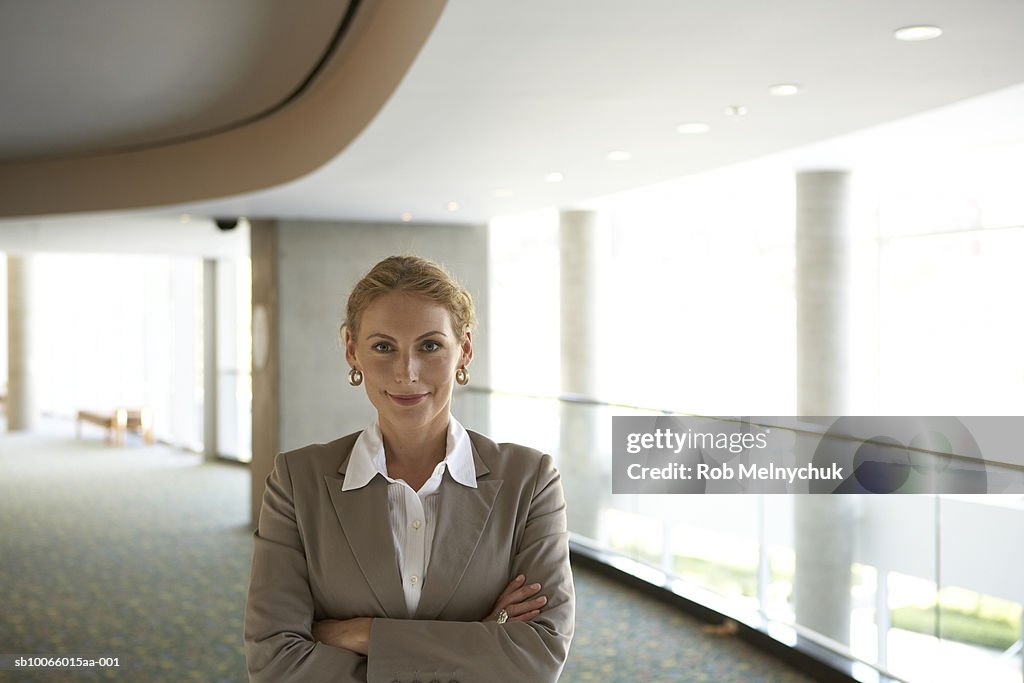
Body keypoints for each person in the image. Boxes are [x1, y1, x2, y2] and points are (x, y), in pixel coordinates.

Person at [244, 255, 575, 682]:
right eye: (383, 347)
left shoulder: (530, 481)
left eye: (430, 345)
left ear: (465, 350)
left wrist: (363, 635)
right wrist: (481, 638)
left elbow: (538, 658)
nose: (407, 372)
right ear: (352, 351)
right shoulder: (296, 480)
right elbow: (274, 663)